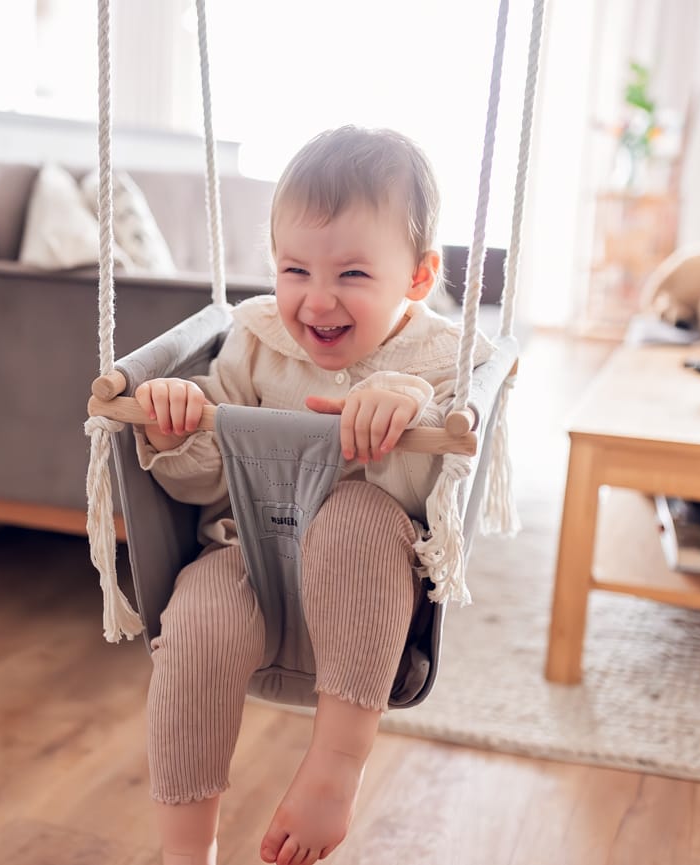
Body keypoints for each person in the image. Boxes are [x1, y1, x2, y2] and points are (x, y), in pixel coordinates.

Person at [133, 125, 494, 865]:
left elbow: (439, 503)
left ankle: (336, 766)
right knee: (195, 622)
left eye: (353, 275)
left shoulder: (438, 361)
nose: (316, 299)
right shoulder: (256, 338)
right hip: (246, 556)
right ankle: (183, 849)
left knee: (359, 515)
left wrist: (410, 412)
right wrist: (176, 427)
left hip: (367, 593)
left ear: (418, 278)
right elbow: (203, 476)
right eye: (295, 268)